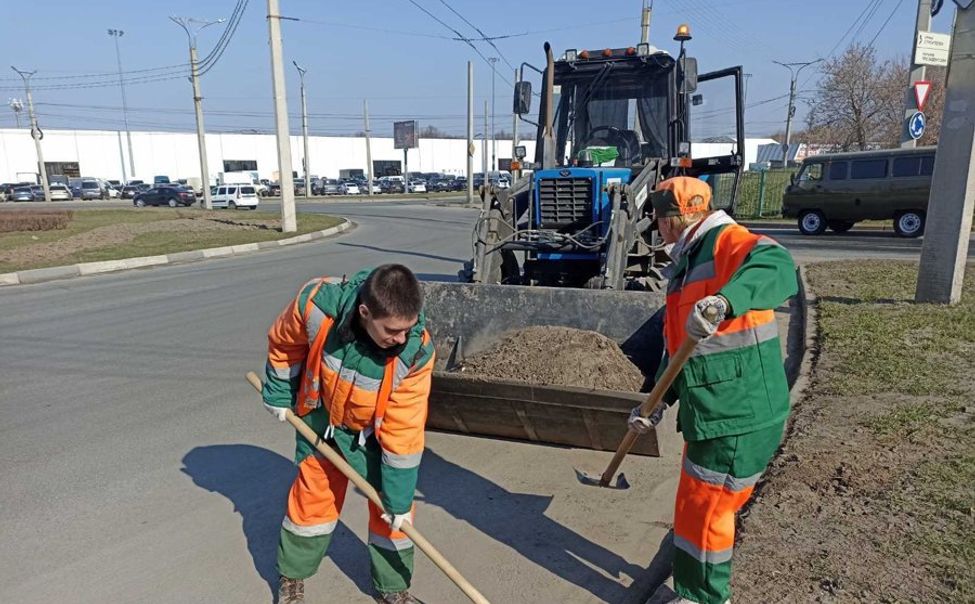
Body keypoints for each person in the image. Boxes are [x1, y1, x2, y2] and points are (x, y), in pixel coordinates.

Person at [629, 176, 798, 604]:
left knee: (708, 514)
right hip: (713, 414)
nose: (656, 225)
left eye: (660, 216)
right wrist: (655, 403)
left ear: (680, 217)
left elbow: (777, 265)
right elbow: (680, 348)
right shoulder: (687, 261)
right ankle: (694, 590)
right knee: (693, 508)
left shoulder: (727, 243)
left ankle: (706, 598)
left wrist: (726, 301)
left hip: (740, 413)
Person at [262, 264, 435, 604]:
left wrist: (398, 501)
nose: (401, 339)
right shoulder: (316, 305)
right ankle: (293, 578)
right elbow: (285, 344)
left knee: (394, 518)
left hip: (374, 433)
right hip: (322, 421)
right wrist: (279, 393)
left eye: (408, 328)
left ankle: (392, 589)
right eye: (392, 331)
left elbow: (405, 431)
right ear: (365, 312)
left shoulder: (415, 352)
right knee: (312, 505)